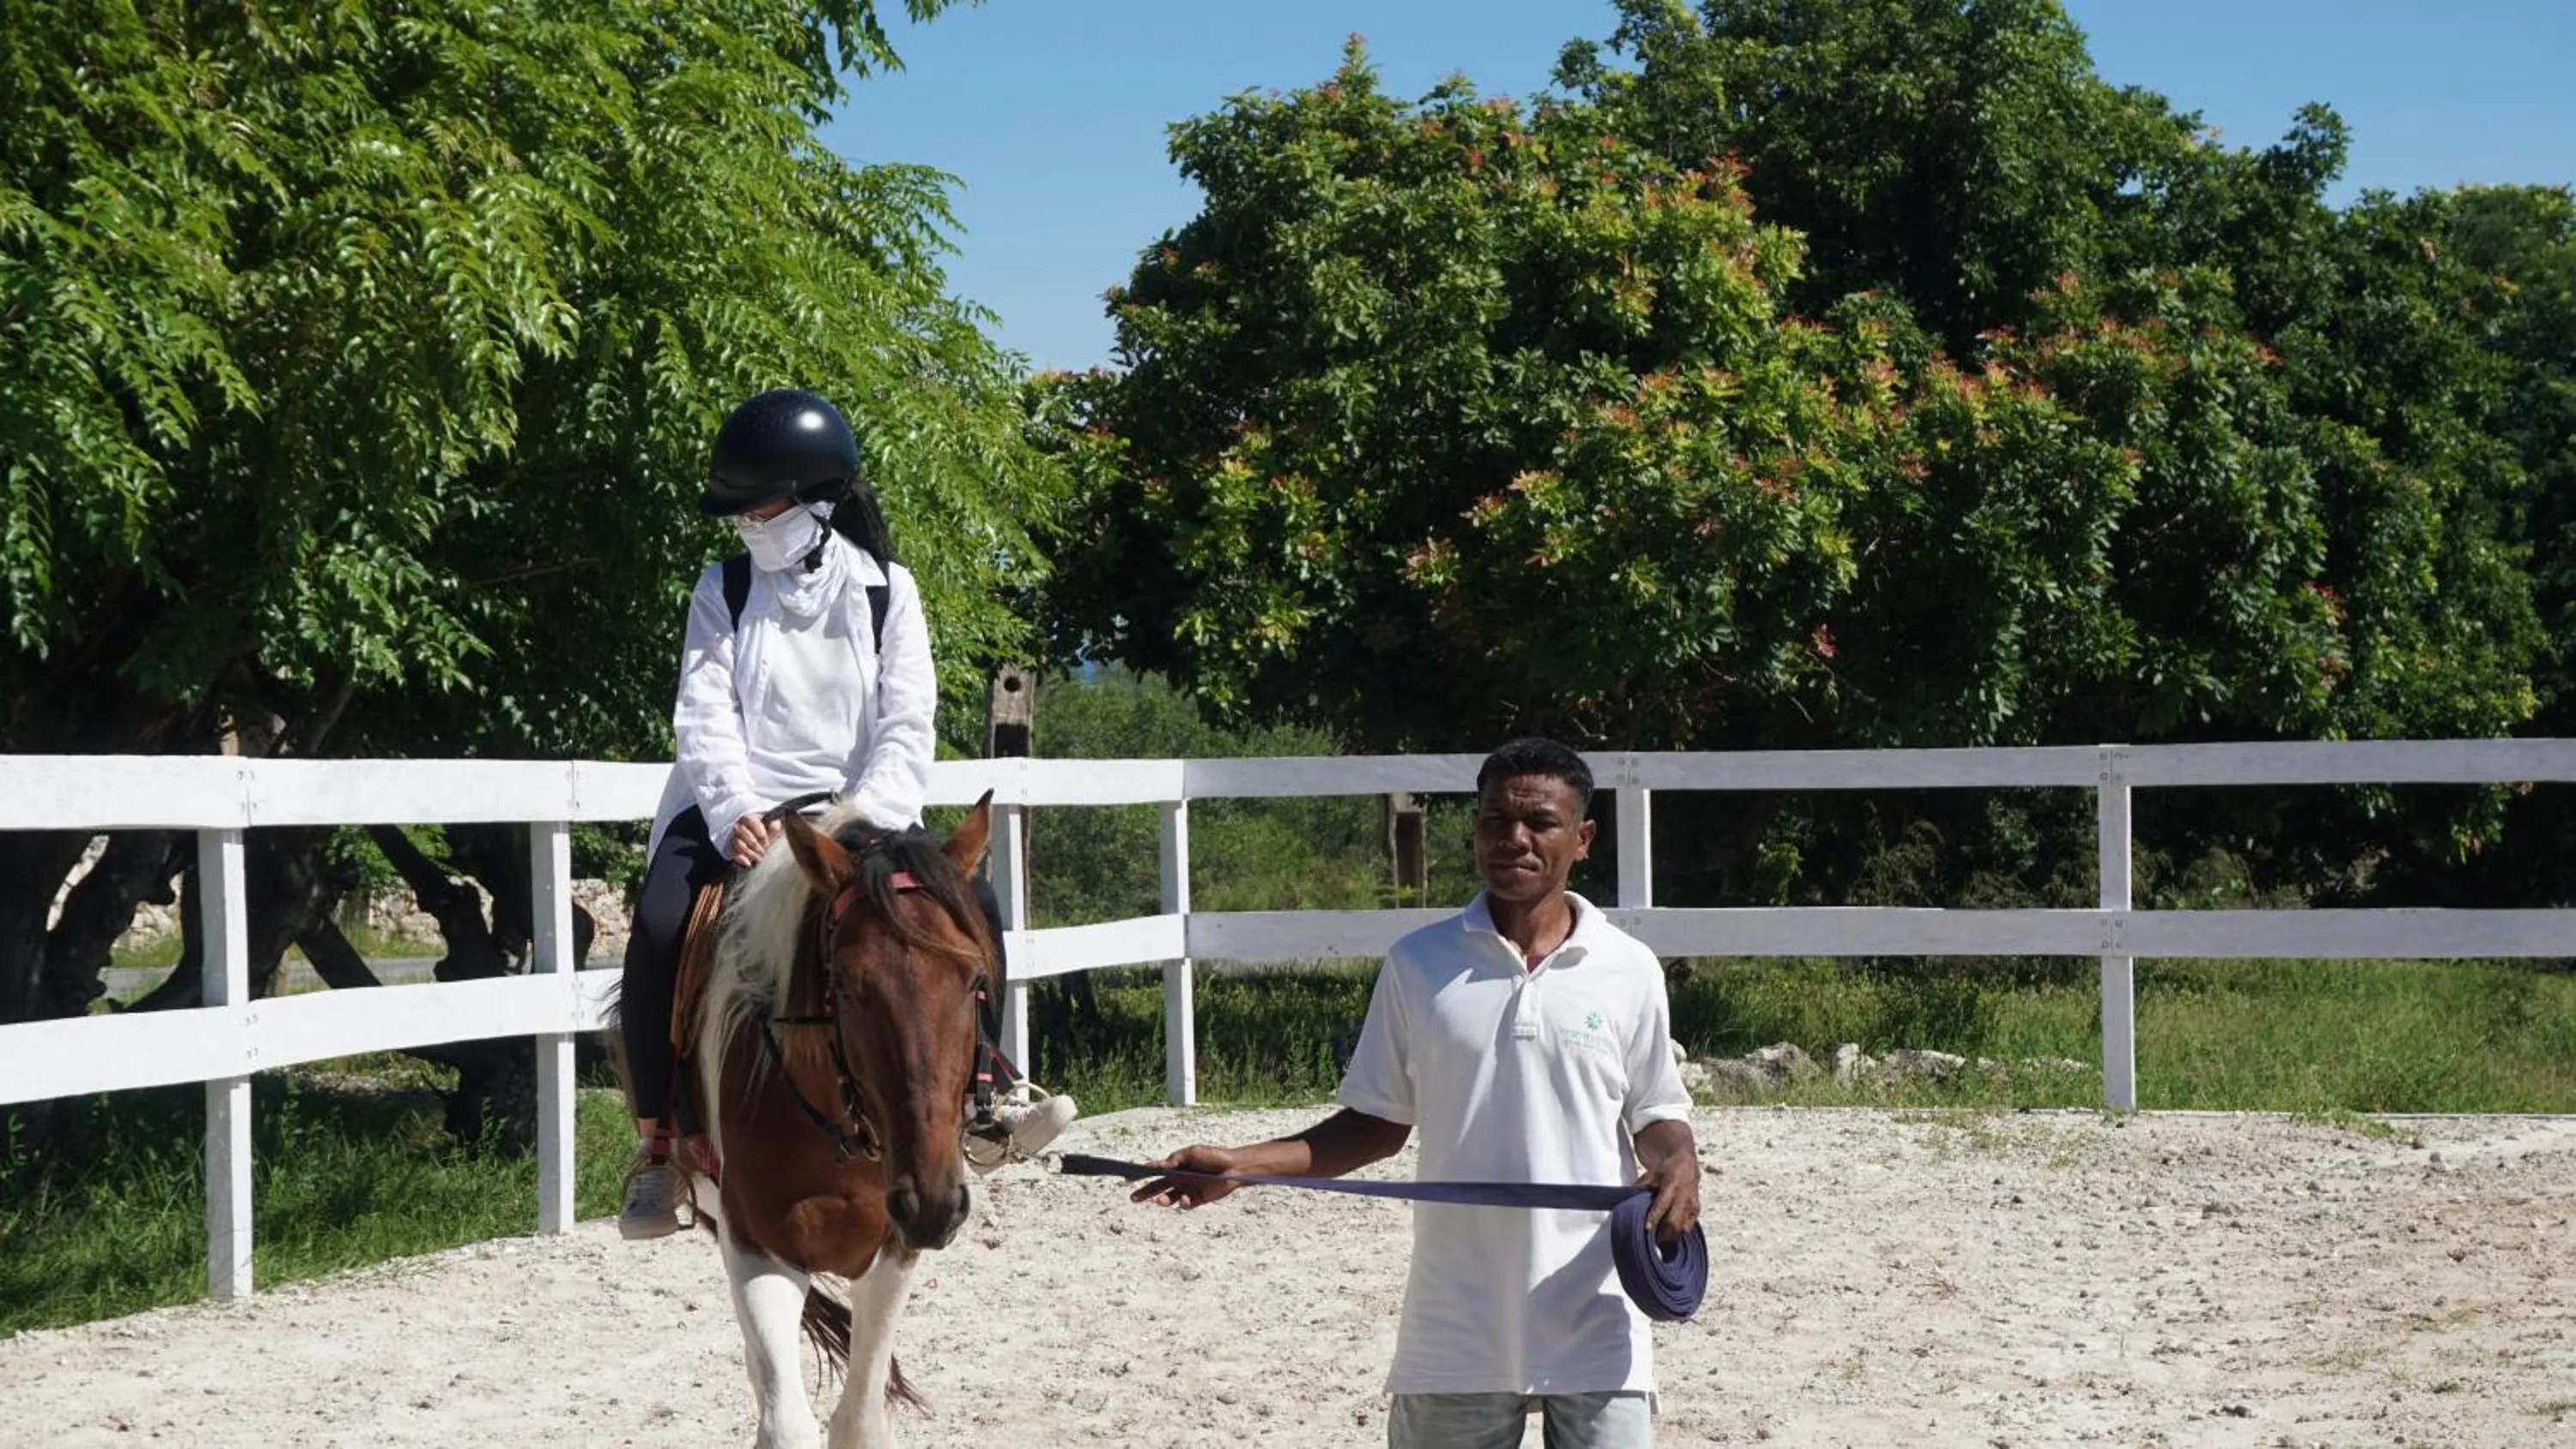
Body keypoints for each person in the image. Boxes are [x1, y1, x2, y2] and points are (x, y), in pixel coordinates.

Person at [1133, 737, 1701, 1448]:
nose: (1514, 838)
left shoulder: (1628, 968)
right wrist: (1242, 1166)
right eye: (1495, 820)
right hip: (1456, 1321)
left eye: (1540, 823)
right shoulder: (1419, 964)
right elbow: (1375, 1125)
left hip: (1598, 1309)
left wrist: (1680, 1161)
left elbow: (1656, 1111)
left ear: (1582, 838)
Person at [618, 387, 1075, 1241]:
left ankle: (990, 1093)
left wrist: (872, 822)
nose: (746, 524)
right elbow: (703, 713)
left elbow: (907, 721)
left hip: (864, 811)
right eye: (742, 511)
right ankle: (657, 1141)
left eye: (759, 507)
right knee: (658, 923)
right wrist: (735, 809)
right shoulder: (722, 588)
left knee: (978, 907)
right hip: (741, 807)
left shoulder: (888, 592)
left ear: (816, 500)